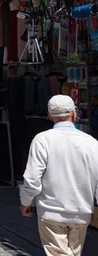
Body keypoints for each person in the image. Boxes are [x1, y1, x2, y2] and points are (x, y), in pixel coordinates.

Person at [19, 95, 98, 256]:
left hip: (51, 212)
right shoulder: (91, 142)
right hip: (81, 212)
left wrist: (25, 201)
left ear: (49, 116)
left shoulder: (42, 140)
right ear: (74, 113)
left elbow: (33, 178)